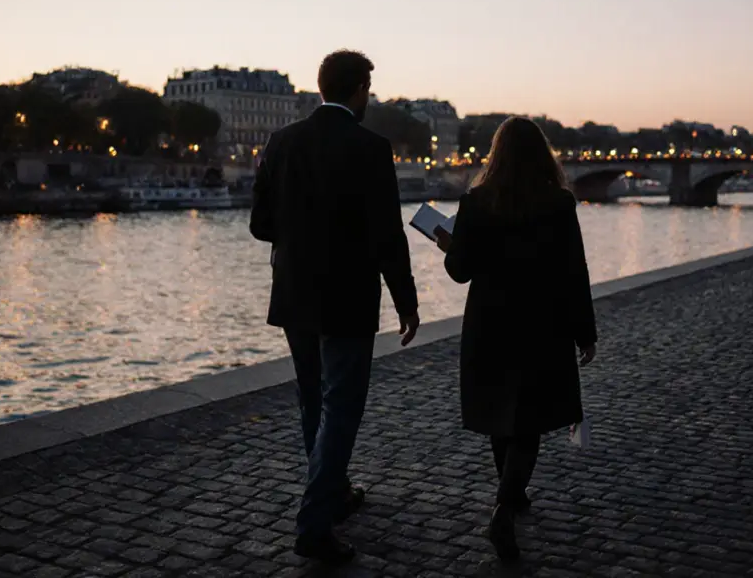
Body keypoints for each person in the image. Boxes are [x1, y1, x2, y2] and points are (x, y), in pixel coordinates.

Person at [249, 50, 420, 565]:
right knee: (341, 408)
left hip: (295, 292)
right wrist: (406, 300)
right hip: (347, 296)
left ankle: (334, 493)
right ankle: (314, 525)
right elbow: (389, 234)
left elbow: (260, 225)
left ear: (321, 87)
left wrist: (298, 237)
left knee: (312, 401)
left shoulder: (282, 142)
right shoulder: (371, 147)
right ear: (360, 89)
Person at [435, 116, 597, 563]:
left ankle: (510, 492)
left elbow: (460, 271)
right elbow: (574, 271)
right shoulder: (559, 203)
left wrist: (450, 247)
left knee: (498, 412)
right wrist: (585, 331)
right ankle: (507, 504)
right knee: (529, 420)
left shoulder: (476, 201)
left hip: (489, 323)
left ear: (496, 153)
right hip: (542, 323)